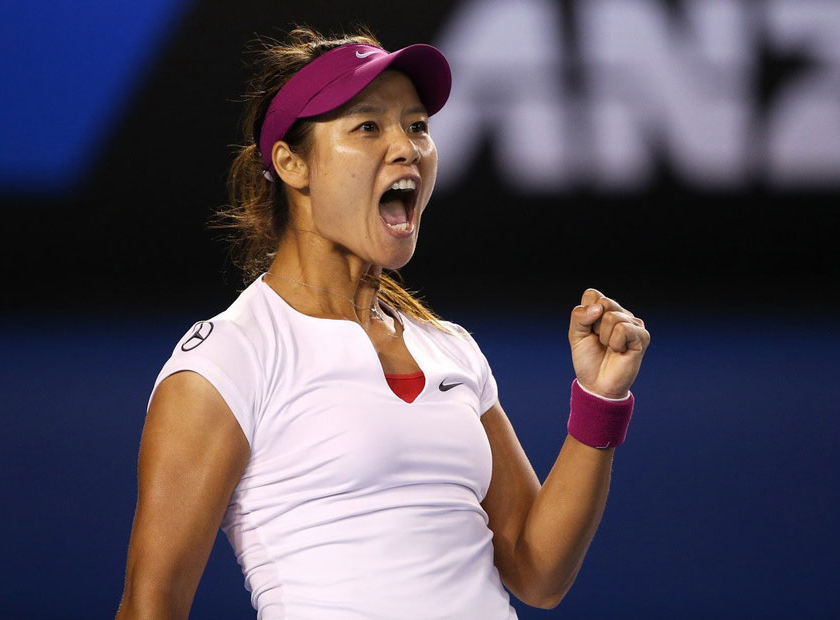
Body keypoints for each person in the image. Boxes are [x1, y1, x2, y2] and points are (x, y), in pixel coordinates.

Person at [116, 27, 650, 620]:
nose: (407, 148)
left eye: (417, 125)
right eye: (368, 127)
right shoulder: (227, 360)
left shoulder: (450, 349)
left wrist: (600, 399)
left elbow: (537, 571)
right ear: (293, 164)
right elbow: (151, 604)